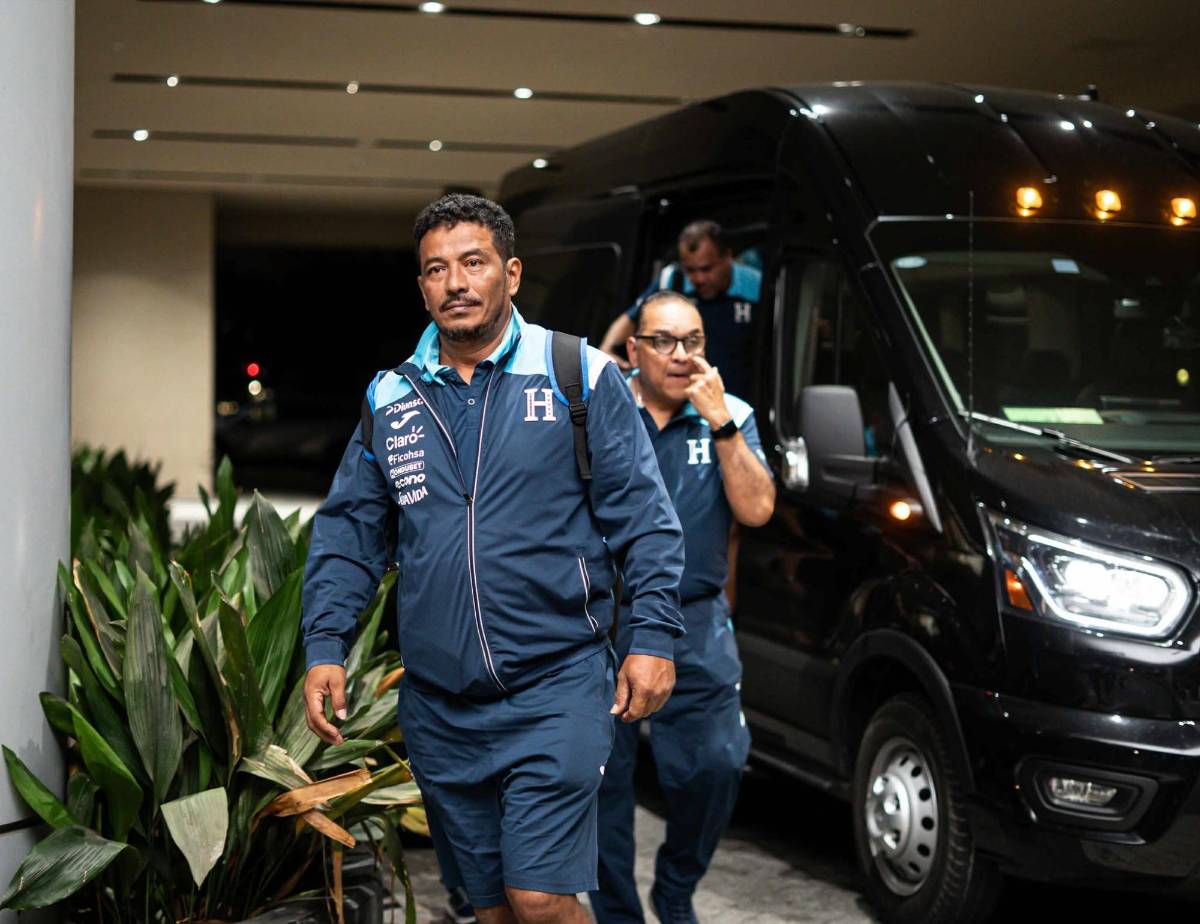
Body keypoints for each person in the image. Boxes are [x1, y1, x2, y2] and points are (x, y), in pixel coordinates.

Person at [301, 194, 686, 924]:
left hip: (557, 686)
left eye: (473, 262)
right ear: (422, 287)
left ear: (510, 273)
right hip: (440, 707)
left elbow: (646, 521)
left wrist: (655, 637)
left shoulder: (578, 374)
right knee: (492, 909)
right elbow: (351, 532)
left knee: (538, 897)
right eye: (436, 269)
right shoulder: (392, 396)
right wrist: (326, 643)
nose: (455, 283)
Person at [591, 290, 776, 924]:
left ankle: (676, 885)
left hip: (695, 617)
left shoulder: (730, 412)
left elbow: (757, 510)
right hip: (606, 620)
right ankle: (619, 915)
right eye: (663, 341)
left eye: (692, 341)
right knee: (602, 782)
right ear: (634, 348)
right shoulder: (602, 411)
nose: (679, 355)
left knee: (717, 766)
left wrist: (720, 421)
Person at [598, 220, 761, 400]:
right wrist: (606, 351)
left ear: (727, 257)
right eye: (690, 270)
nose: (698, 279)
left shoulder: (756, 286)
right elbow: (631, 318)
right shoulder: (673, 281)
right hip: (684, 399)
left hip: (740, 398)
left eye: (706, 269)